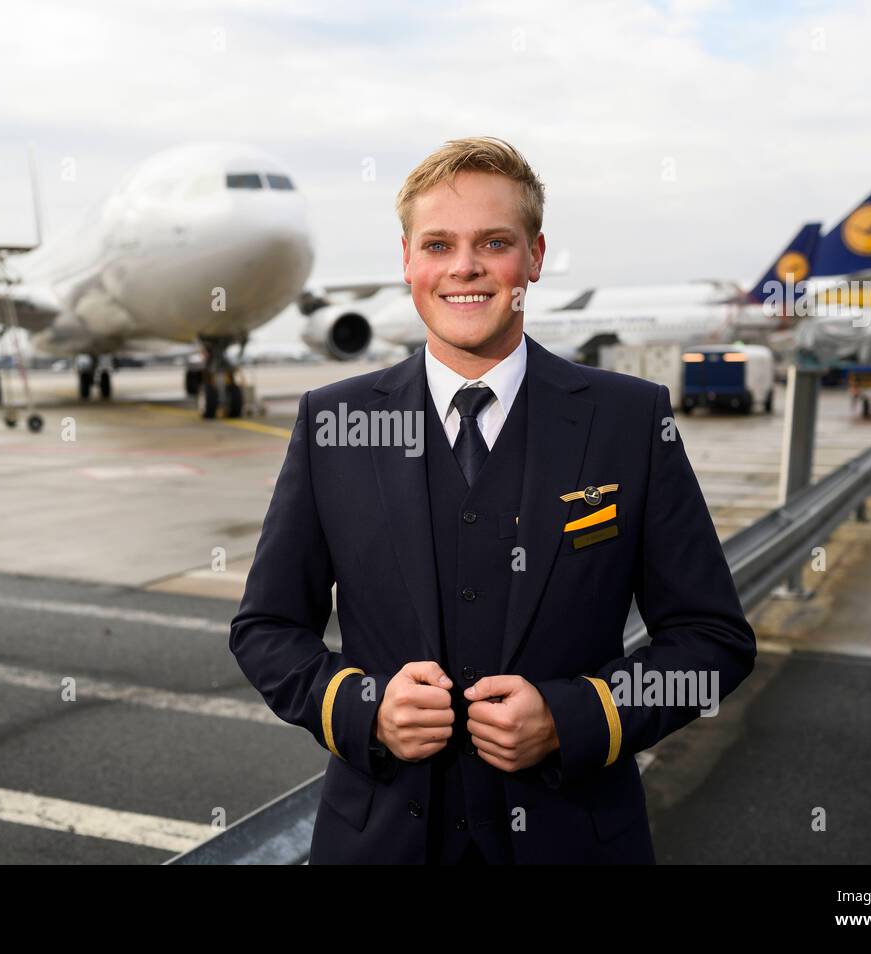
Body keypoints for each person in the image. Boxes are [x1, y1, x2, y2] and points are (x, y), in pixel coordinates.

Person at [230, 136, 756, 864]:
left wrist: (580, 718)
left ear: (534, 258)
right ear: (407, 261)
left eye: (494, 242)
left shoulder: (629, 421)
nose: (464, 268)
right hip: (380, 843)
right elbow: (265, 628)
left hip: (574, 841)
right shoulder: (334, 423)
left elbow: (713, 640)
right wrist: (363, 707)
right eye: (438, 244)